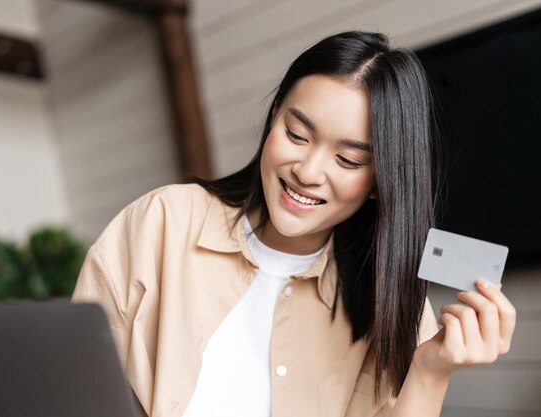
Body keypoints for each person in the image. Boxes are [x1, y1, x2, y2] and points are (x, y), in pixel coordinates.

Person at [72, 31, 517, 417]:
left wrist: (430, 370)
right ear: (272, 120)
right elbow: (74, 383)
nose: (307, 170)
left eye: (347, 159)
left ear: (381, 181)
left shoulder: (394, 303)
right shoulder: (163, 221)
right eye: (296, 135)